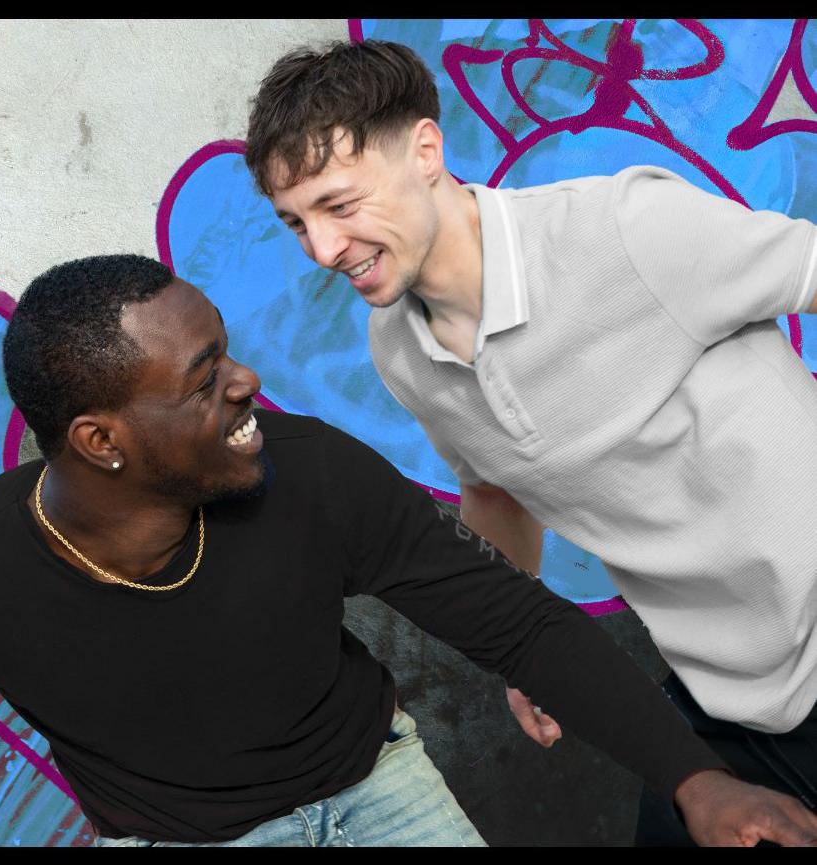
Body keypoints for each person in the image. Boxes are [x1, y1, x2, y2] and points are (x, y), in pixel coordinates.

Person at [0, 254, 817, 847]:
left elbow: (516, 623)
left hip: (375, 786)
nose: (247, 381)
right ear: (102, 440)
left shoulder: (306, 471)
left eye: (225, 351)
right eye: (205, 381)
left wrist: (699, 778)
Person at [245, 39, 817, 845]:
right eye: (296, 222)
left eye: (340, 205)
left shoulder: (621, 229)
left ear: (425, 151)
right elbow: (494, 488)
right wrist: (521, 653)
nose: (323, 249)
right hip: (724, 689)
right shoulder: (398, 348)